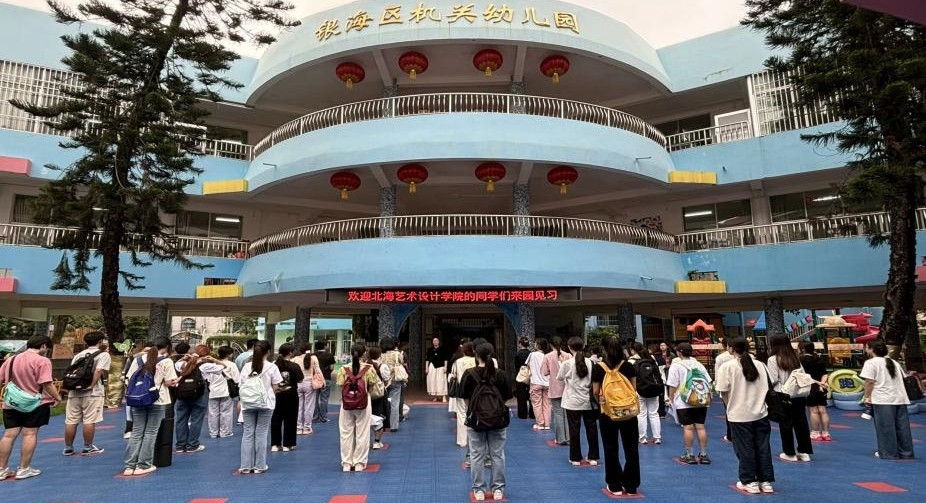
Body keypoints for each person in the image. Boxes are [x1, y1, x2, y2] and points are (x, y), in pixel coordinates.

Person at [715, 338, 774, 494]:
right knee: (762, 447)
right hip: (761, 412)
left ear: (731, 349)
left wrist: (729, 407)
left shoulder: (727, 367)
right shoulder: (760, 365)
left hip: (738, 414)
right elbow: (770, 385)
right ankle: (765, 481)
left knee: (745, 448)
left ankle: (749, 481)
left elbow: (723, 391)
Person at [0, 335, 63, 480]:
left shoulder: (11, 359)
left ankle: (2, 469)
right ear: (43, 346)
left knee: (8, 435)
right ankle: (24, 468)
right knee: (30, 434)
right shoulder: (42, 361)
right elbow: (46, 383)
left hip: (11, 402)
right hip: (35, 402)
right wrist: (57, 397)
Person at [459, 342, 513, 502]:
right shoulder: (501, 374)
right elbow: (506, 397)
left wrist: (475, 410)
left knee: (476, 455)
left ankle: (479, 490)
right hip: (498, 420)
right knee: (498, 455)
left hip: (476, 420)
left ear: (476, 356)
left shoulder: (469, 374)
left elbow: (465, 398)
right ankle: (498, 489)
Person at [122, 336, 178, 476]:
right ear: (167, 347)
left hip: (138, 399)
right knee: (151, 432)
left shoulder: (138, 360)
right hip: (157, 399)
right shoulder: (166, 361)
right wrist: (175, 381)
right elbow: (169, 382)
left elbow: (128, 378)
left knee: (137, 431)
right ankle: (143, 464)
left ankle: (129, 466)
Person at [592, 336, 639, 496]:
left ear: (603, 349)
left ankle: (614, 484)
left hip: (608, 412)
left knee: (610, 448)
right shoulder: (628, 366)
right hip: (628, 412)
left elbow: (595, 392)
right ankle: (631, 485)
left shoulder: (599, 368)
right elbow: (633, 388)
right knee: (631, 449)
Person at [860, 340, 914, 460]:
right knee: (902, 428)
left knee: (885, 427)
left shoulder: (870, 363)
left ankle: (888, 453)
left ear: (871, 349)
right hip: (900, 397)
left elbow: (869, 382)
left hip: (883, 399)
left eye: (867, 347)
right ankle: (906, 453)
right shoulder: (894, 362)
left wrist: (867, 397)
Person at [63, 330, 110, 456]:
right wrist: (92, 385)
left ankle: (68, 447)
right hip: (92, 392)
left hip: (74, 391)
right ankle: (87, 447)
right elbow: (99, 370)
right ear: (100, 341)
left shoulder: (79, 355)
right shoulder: (103, 355)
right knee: (89, 419)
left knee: (71, 420)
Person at [238, 340, 282, 474]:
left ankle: (246, 466)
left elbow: (241, 385)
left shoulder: (247, 367)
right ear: (268, 352)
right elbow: (276, 387)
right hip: (266, 403)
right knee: (261, 433)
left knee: (248, 433)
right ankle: (260, 466)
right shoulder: (272, 367)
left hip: (248, 403)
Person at [767, 335, 813, 462]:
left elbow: (773, 379)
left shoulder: (773, 359)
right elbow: (802, 375)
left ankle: (789, 452)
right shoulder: (795, 357)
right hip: (799, 394)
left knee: (785, 424)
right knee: (801, 422)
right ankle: (804, 452)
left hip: (783, 395)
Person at [337, 343, 382, 471]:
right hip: (364, 402)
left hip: (346, 403)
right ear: (364, 354)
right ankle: (359, 463)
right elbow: (373, 384)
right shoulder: (369, 369)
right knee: (362, 432)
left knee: (346, 433)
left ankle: (346, 463)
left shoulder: (343, 369)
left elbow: (340, 384)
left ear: (351, 353)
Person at [666, 342, 712, 464]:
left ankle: (689, 454)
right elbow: (708, 380)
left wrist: (670, 397)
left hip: (683, 400)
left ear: (679, 353)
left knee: (688, 428)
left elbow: (672, 384)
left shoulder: (676, 366)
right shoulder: (698, 364)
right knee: (700, 427)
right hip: (700, 399)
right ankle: (704, 454)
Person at [557, 336, 599, 466]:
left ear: (569, 348)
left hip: (572, 401)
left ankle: (575, 458)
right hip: (588, 401)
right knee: (591, 429)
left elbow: (560, 377)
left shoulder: (567, 363)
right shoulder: (591, 363)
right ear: (583, 346)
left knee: (574, 430)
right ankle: (593, 457)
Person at [173, 344, 213, 454]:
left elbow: (176, 364)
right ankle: (192, 444)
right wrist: (213, 360)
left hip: (182, 393)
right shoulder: (205, 366)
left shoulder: (181, 364)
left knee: (181, 419)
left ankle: (180, 445)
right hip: (199, 393)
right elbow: (223, 367)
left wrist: (183, 358)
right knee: (196, 420)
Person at [270, 343, 304, 452]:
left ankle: (275, 444)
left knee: (276, 419)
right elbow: (300, 379)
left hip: (276, 394)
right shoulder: (294, 366)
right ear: (290, 353)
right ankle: (288, 444)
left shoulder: (273, 365)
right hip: (291, 395)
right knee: (290, 419)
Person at [628, 342, 661, 445]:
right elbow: (658, 375)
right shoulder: (651, 359)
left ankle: (642, 438)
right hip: (654, 389)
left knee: (641, 414)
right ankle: (657, 437)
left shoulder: (631, 361)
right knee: (654, 413)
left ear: (633, 350)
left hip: (639, 390)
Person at [450, 341, 477, 462]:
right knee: (474, 414)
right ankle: (474, 439)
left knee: (461, 415)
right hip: (475, 391)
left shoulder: (458, 362)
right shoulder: (476, 360)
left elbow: (452, 375)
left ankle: (462, 440)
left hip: (461, 391)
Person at [542, 336, 572, 445]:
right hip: (567, 389)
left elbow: (545, 372)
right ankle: (568, 438)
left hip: (555, 388)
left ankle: (560, 439)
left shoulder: (547, 356)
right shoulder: (568, 355)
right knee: (567, 414)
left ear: (551, 345)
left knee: (558, 414)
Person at [800, 341, 831, 441]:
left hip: (810, 387)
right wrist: (822, 383)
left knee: (813, 411)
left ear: (803, 349)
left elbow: (803, 376)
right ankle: (826, 433)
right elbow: (825, 374)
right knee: (823, 410)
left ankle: (815, 433)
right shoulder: (818, 358)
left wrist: (817, 382)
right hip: (821, 387)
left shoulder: (801, 360)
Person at [207, 346, 239, 439]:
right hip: (226, 391)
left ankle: (213, 433)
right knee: (226, 412)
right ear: (229, 354)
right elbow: (237, 379)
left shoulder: (213, 364)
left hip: (213, 391)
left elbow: (208, 379)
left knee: (213, 413)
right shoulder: (232, 365)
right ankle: (225, 432)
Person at [366, 346, 391, 450]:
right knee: (379, 417)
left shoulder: (365, 365)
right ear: (379, 355)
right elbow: (386, 379)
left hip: (366, 396)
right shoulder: (382, 366)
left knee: (366, 418)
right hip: (379, 395)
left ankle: (364, 441)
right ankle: (377, 441)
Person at [380, 337, 406, 432]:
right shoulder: (397, 354)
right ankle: (394, 426)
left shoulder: (380, 355)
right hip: (395, 380)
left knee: (382, 403)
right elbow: (402, 362)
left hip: (383, 381)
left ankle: (381, 424)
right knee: (394, 403)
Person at [528, 337, 552, 430]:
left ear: (538, 345)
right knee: (547, 404)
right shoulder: (548, 355)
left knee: (537, 404)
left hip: (535, 382)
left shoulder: (532, 354)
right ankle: (547, 424)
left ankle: (540, 424)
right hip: (547, 382)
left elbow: (528, 366)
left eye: (535, 343)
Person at [295, 344, 319, 435]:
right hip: (309, 384)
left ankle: (298, 428)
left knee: (299, 406)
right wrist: (322, 381)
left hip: (298, 384)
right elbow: (318, 371)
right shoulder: (313, 358)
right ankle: (307, 428)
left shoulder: (295, 359)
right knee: (309, 407)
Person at [715, 338, 736, 442]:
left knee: (729, 411)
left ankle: (730, 434)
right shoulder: (751, 358)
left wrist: (717, 387)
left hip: (727, 388)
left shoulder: (720, 358)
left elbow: (717, 374)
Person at [312, 340, 335, 424]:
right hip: (326, 378)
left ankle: (315, 417)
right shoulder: (329, 355)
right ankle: (323, 417)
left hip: (314, 379)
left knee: (314, 399)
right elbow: (332, 367)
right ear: (325, 346)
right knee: (324, 399)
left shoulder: (312, 355)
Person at [513, 337, 533, 420]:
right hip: (530, 375)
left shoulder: (517, 354)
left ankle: (522, 414)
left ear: (520, 344)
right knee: (531, 395)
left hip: (520, 375)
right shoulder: (531, 353)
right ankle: (532, 414)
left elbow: (516, 366)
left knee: (521, 396)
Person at [426, 337, 448, 402]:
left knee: (441, 381)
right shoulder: (430, 349)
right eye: (434, 341)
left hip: (441, 366)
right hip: (432, 366)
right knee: (433, 381)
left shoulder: (442, 349)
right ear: (432, 342)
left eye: (437, 341)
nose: (435, 342)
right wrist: (426, 368)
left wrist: (445, 367)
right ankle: (436, 396)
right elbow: (427, 359)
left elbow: (445, 359)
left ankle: (443, 396)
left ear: (439, 342)